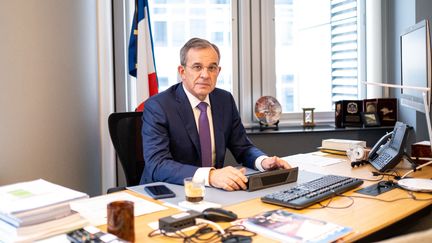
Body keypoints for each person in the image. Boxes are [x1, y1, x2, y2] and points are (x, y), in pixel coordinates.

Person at [140, 37, 291, 191]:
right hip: (168, 190)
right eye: (197, 67)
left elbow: (242, 147)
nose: (205, 75)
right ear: (182, 72)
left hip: (212, 191)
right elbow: (157, 164)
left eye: (212, 68)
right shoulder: (159, 106)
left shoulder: (224, 100)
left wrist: (263, 162)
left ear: (218, 71)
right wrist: (211, 176)